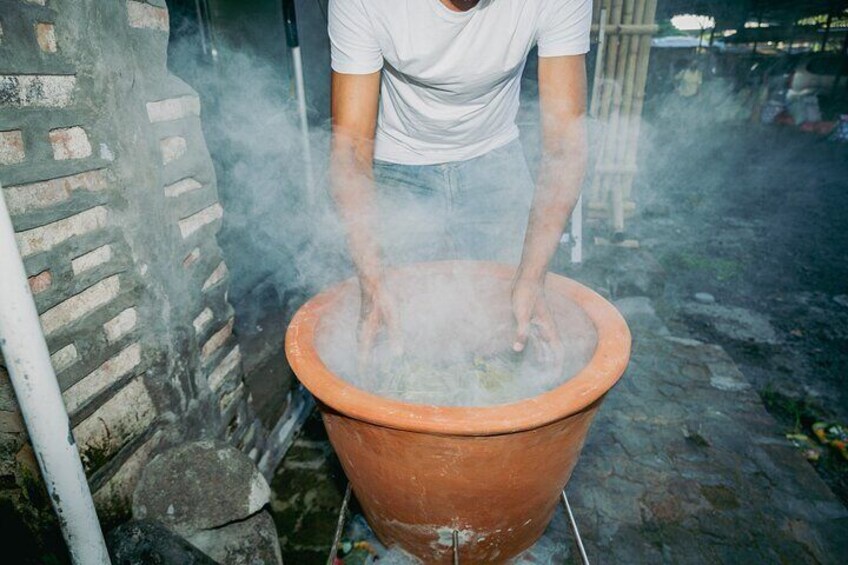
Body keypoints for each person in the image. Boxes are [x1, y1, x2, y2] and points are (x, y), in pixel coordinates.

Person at [328, 0, 590, 368]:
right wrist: (371, 281)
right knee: (400, 330)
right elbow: (350, 147)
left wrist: (532, 277)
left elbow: (565, 143)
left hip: (495, 161)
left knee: (506, 332)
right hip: (399, 162)